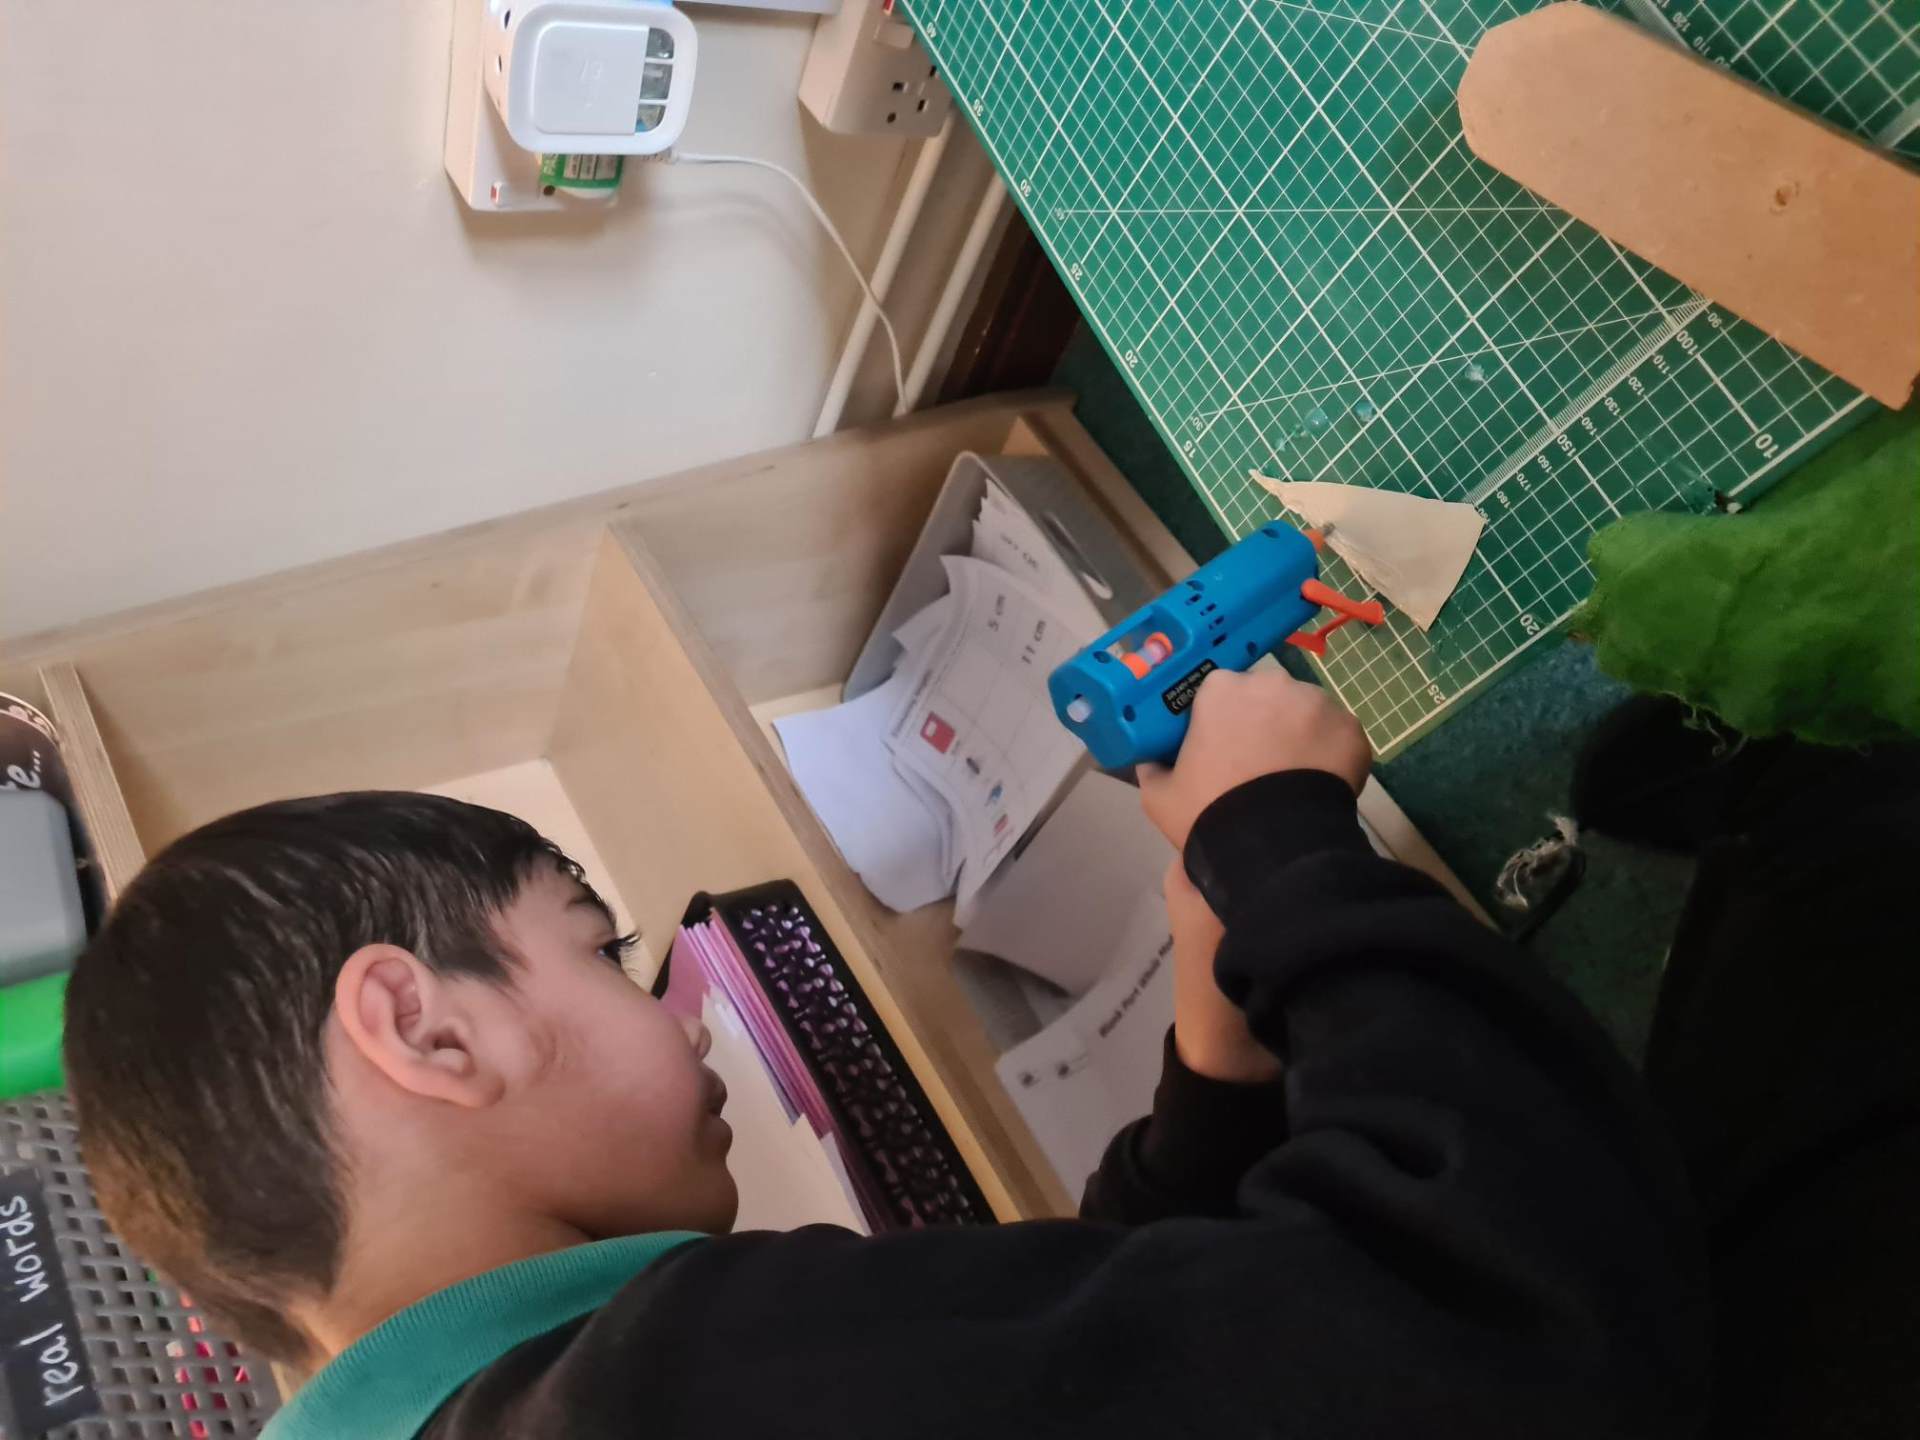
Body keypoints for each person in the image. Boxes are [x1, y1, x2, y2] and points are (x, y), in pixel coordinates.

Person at [63, 670, 1708, 1439]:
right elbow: (1529, 1310)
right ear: (427, 1029)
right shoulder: (674, 1387)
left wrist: (1215, 1083)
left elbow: (1084, 1374)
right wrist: (1285, 850)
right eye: (603, 950)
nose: (676, 1005)